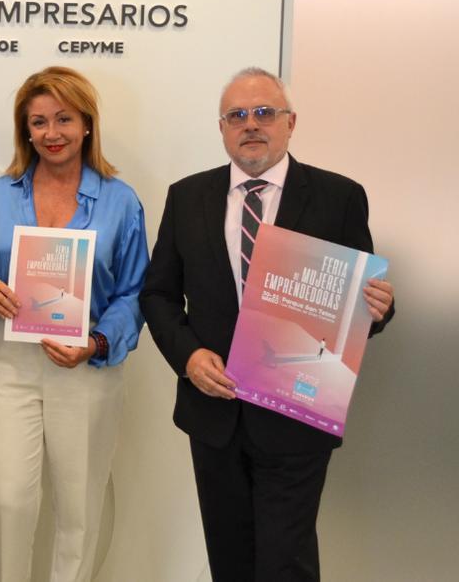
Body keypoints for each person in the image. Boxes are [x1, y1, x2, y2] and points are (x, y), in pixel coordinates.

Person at [140, 67, 395, 581]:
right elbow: (158, 295)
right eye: (237, 115)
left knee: (286, 563)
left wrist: (381, 307)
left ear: (290, 122)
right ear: (222, 128)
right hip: (214, 413)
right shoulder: (187, 197)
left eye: (264, 113)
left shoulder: (338, 196)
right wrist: (188, 356)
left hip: (296, 413)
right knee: (230, 562)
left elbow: (363, 305)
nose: (250, 124)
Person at [0, 67, 149, 582]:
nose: (52, 133)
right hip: (8, 362)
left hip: (85, 363)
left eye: (63, 119)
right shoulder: (2, 193)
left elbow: (135, 291)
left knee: (79, 509)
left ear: (87, 123)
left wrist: (98, 341)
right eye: (38, 122)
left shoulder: (120, 200)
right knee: (8, 501)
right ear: (25, 130)